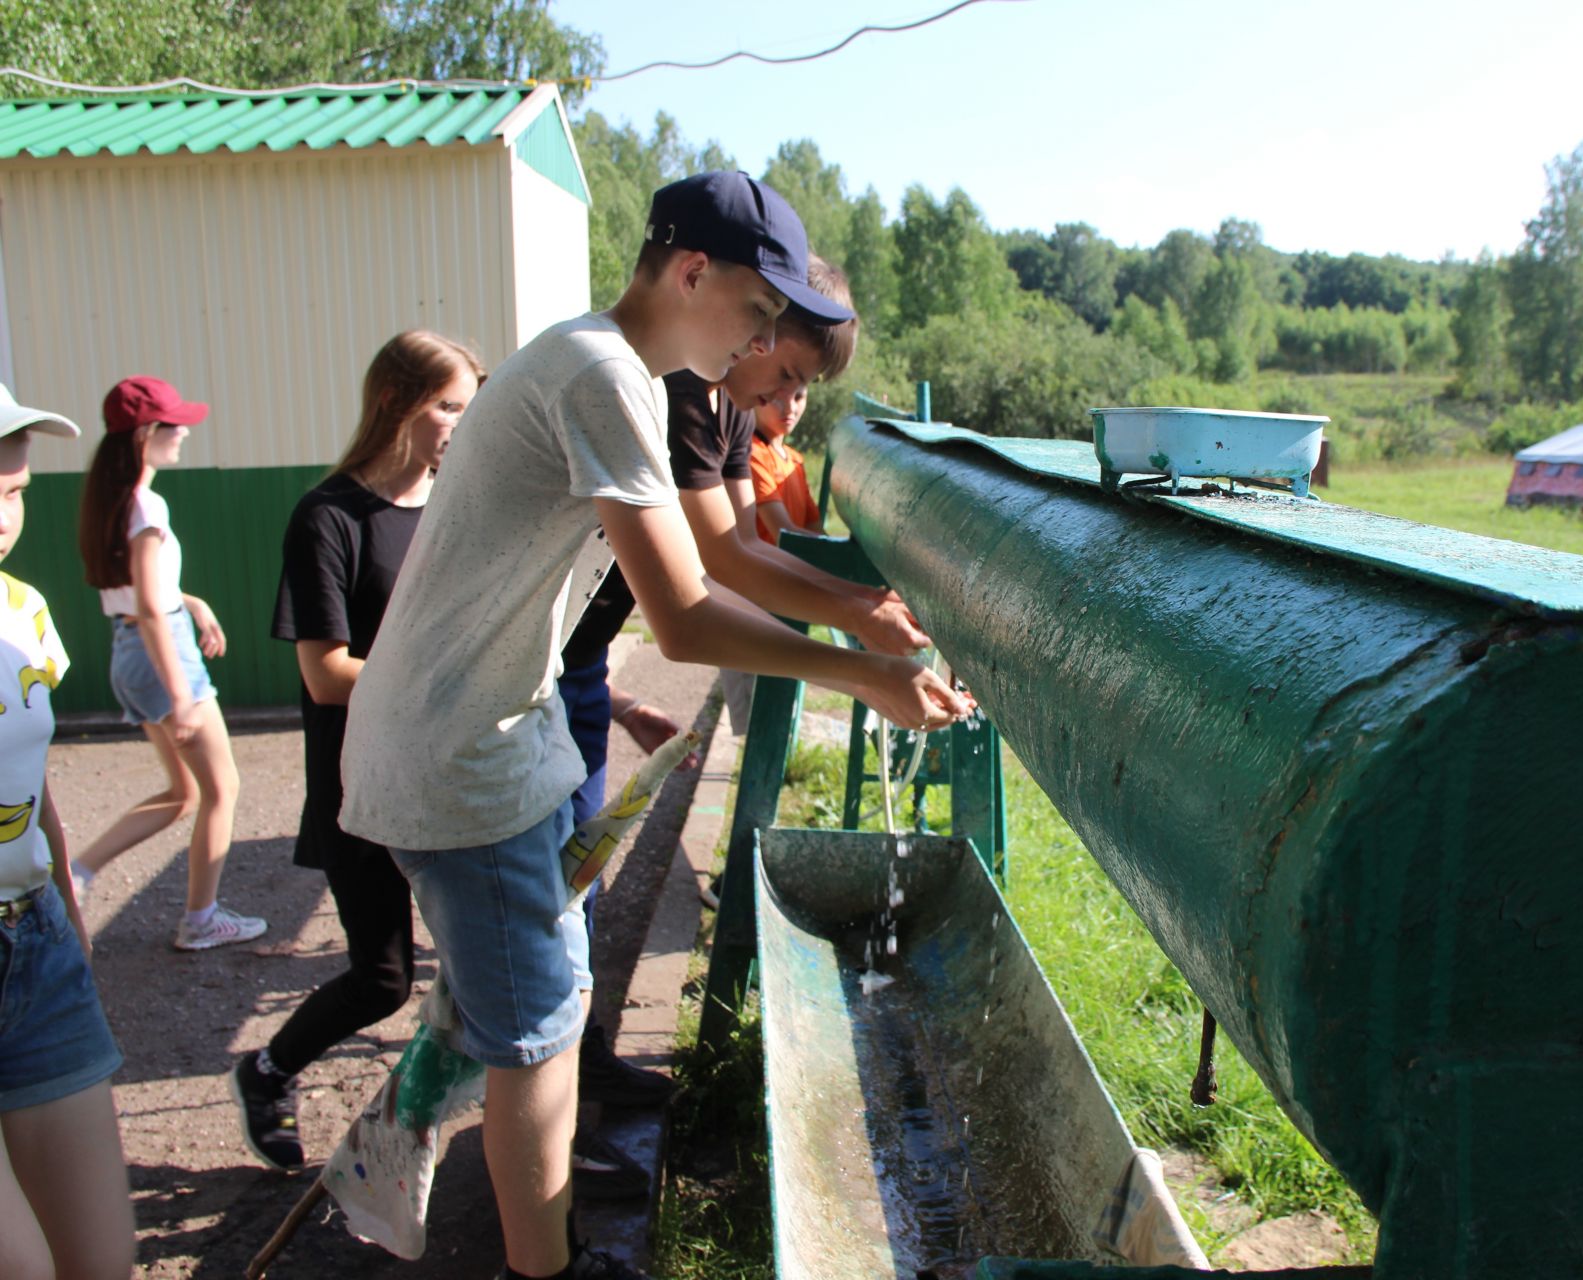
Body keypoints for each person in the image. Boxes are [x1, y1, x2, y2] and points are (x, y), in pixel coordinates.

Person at [337, 171, 973, 1280]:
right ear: (691, 273)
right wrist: (862, 674)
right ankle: (547, 1267)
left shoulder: (607, 362)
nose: (759, 348)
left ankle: (490, 1206)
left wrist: (853, 642)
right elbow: (681, 613)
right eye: (759, 317)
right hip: (458, 756)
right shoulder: (606, 376)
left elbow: (701, 574)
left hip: (501, 732)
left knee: (545, 994)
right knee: (534, 1035)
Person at [229, 331, 482, 1172]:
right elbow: (327, 674)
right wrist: (448, 678)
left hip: (446, 777)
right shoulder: (327, 517)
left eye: (467, 410)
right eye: (448, 405)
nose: (460, 425)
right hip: (360, 786)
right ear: (394, 403)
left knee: (484, 964)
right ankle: (266, 1072)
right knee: (381, 981)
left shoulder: (453, 506)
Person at [663, 255, 929, 737]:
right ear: (759, 326)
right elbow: (724, 560)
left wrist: (869, 601)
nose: (784, 398)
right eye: (787, 373)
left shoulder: (738, 407)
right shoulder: (689, 393)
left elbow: (747, 543)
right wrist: (862, 618)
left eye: (802, 386)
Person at [0, 384, 136, 1280]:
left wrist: (63, 898)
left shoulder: (24, 612)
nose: (2, 514)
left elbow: (29, 769)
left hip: (32, 941)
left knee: (102, 1262)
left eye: (11, 490)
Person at [74, 377, 265, 951]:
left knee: (184, 793)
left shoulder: (112, 499)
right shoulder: (146, 505)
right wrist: (182, 694)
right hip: (161, 655)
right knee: (221, 789)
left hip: (129, 653)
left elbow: (144, 591)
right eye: (174, 424)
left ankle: (77, 874)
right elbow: (154, 611)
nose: (184, 432)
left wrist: (195, 603)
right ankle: (201, 919)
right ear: (145, 434)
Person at [749, 379, 822, 543]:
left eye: (798, 397)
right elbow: (785, 535)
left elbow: (814, 527)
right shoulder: (752, 454)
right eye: (778, 398)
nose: (790, 409)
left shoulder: (796, 460)